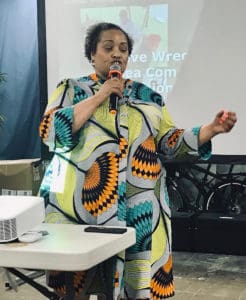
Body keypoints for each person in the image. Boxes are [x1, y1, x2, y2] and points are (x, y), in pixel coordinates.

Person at [39, 22, 237, 300]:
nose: (116, 54)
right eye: (108, 48)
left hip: (140, 211)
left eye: (123, 49)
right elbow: (50, 132)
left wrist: (210, 130)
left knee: (137, 289)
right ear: (92, 55)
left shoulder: (149, 98)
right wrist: (101, 95)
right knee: (76, 289)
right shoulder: (70, 89)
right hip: (82, 212)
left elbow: (170, 144)